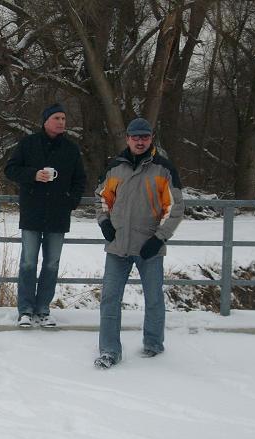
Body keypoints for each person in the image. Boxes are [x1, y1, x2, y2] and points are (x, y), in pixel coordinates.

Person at [93, 117, 184, 369]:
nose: (140, 141)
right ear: (128, 139)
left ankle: (153, 345)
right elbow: (101, 198)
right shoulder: (115, 168)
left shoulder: (163, 169)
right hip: (118, 245)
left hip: (149, 246)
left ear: (151, 138)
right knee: (110, 299)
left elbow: (174, 208)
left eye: (144, 137)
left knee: (153, 298)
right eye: (135, 137)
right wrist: (104, 223)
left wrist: (159, 238)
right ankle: (109, 350)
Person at [4, 103, 87, 328]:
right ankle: (25, 310)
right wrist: (33, 175)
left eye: (63, 118)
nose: (61, 122)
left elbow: (80, 180)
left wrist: (70, 202)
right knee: (28, 263)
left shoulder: (71, 149)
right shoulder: (28, 144)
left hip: (58, 215)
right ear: (45, 121)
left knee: (51, 265)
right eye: (56, 118)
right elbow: (10, 170)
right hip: (32, 212)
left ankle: (43, 309)